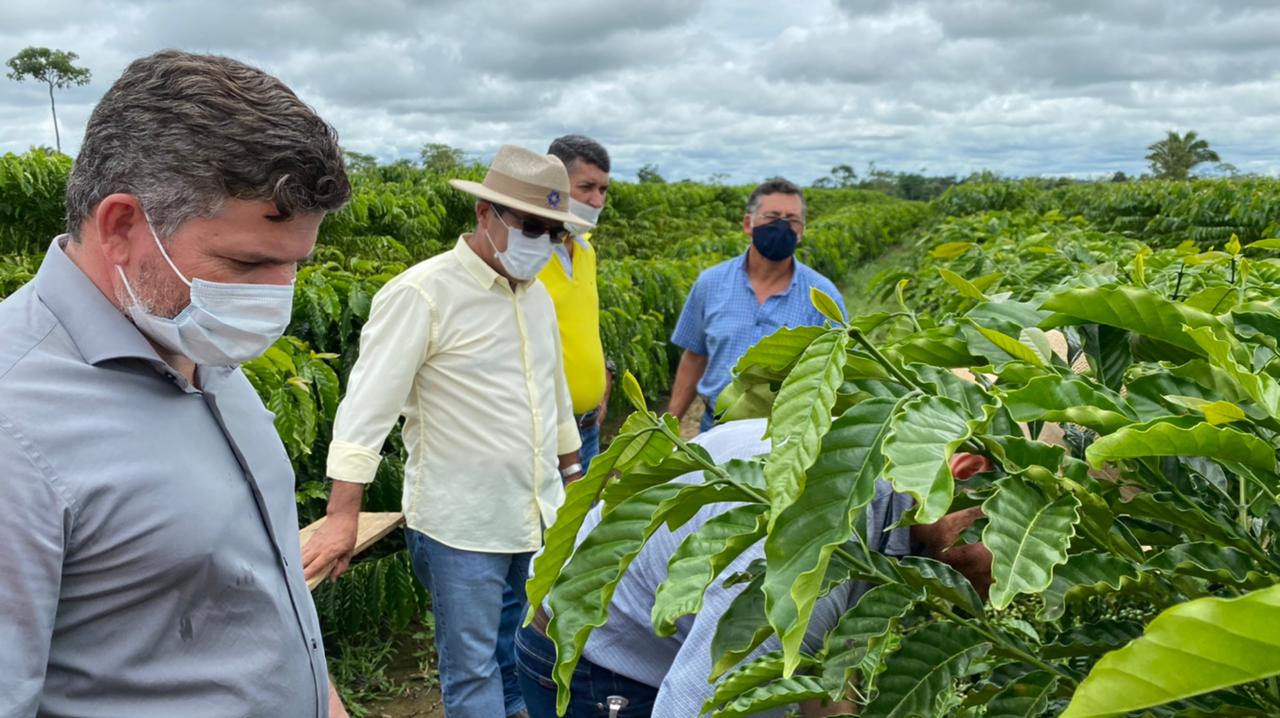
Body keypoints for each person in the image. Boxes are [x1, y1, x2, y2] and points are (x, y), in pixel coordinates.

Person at [0, 50, 351, 717]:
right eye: (245, 263)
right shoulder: (14, 424)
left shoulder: (198, 338)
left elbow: (262, 592)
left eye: (296, 266)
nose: (277, 299)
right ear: (123, 226)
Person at [304, 145, 592, 718]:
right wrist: (342, 515)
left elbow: (553, 397)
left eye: (554, 233)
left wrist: (575, 481)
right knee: (473, 667)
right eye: (531, 227)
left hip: (535, 512)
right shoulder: (422, 294)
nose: (543, 243)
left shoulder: (535, 297)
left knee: (528, 648)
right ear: (486, 213)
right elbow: (366, 409)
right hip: (461, 524)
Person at [515, 419, 992, 717]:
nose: (1000, 590)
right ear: (965, 474)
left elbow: (827, 655)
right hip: (593, 661)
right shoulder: (809, 550)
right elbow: (692, 707)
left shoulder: (868, 474)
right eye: (1007, 549)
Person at [668, 178, 846, 432]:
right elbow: (694, 356)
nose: (782, 226)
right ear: (748, 224)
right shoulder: (711, 283)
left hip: (783, 432)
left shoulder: (823, 296)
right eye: (772, 216)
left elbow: (836, 373)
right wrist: (669, 424)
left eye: (792, 220)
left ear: (802, 231)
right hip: (716, 427)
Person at [540, 135, 614, 474]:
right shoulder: (525, 256)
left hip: (588, 426)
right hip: (547, 434)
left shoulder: (585, 250)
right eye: (586, 187)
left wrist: (603, 379)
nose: (596, 200)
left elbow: (584, 326)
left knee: (583, 526)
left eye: (603, 190)